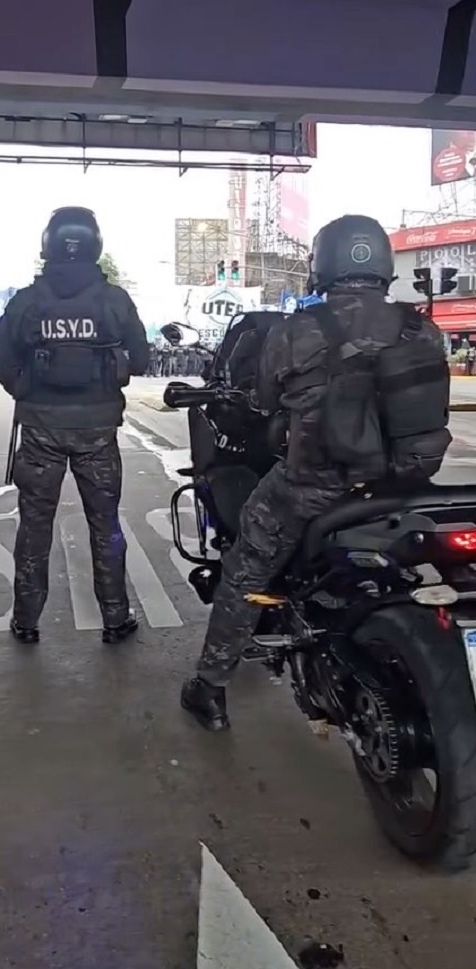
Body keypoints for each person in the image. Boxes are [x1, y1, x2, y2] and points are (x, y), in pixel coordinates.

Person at [181, 214, 451, 731]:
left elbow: (262, 401)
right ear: (382, 265)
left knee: (245, 568)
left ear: (321, 265)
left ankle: (209, 687)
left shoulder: (297, 329)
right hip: (405, 486)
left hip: (310, 488)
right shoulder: (422, 327)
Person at [0, 206, 149, 643]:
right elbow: (141, 358)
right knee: (106, 526)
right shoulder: (114, 301)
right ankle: (116, 618)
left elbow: (4, 362)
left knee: (34, 526)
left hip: (39, 431)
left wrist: (27, 393)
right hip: (99, 431)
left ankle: (26, 620)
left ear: (48, 245)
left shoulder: (26, 301)